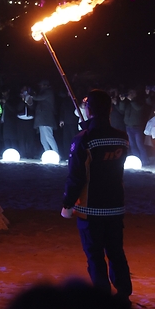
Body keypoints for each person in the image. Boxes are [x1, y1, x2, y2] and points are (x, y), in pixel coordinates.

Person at [61, 89, 132, 301]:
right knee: (116, 251)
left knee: (94, 254)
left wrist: (67, 203)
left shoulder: (83, 139)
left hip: (90, 208)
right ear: (109, 109)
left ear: (88, 109)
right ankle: (124, 291)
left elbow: (76, 175)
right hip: (115, 204)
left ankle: (101, 295)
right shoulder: (122, 138)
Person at [116, 89, 149, 167]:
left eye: (131, 93)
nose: (129, 94)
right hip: (128, 126)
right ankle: (138, 160)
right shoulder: (128, 102)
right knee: (132, 144)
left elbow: (138, 108)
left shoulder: (140, 101)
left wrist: (132, 100)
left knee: (140, 144)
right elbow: (122, 110)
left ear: (135, 94)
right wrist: (122, 101)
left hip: (137, 127)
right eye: (129, 93)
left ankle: (145, 160)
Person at [32, 79, 59, 155]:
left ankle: (56, 153)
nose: (40, 86)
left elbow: (38, 97)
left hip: (46, 118)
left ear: (45, 85)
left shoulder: (48, 92)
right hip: (42, 119)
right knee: (43, 139)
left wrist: (31, 95)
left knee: (49, 137)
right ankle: (48, 153)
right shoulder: (44, 92)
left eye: (41, 85)